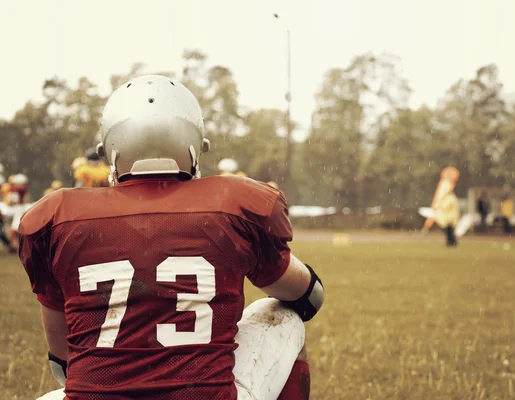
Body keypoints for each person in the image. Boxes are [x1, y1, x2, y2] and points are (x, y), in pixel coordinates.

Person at [20, 75, 323, 400]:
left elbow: (62, 363)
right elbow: (308, 297)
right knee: (285, 317)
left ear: (108, 149)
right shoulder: (233, 203)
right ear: (195, 145)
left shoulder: (57, 217)